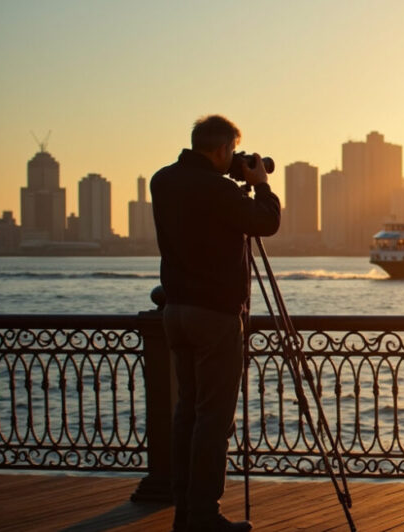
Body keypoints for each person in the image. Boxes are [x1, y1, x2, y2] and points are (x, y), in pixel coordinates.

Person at [151, 115, 280, 532]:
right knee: (213, 420)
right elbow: (266, 222)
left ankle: (184, 513)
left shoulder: (162, 181)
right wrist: (260, 184)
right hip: (215, 316)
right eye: (232, 152)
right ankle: (204, 516)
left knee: (187, 412)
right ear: (224, 148)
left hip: (176, 312)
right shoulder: (218, 189)